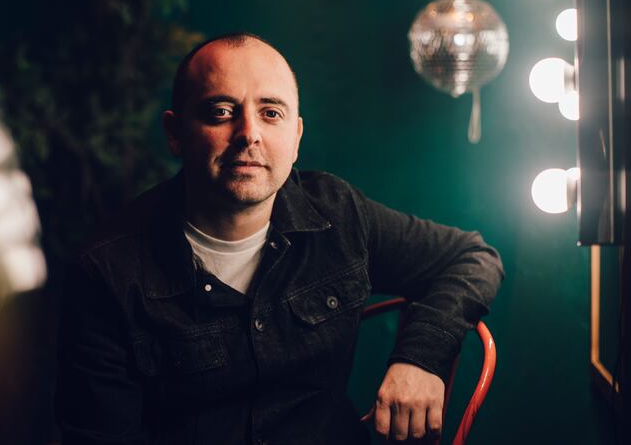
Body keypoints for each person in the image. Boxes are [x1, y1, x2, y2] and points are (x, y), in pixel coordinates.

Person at [55, 33, 503, 445]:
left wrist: (422, 356)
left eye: (271, 113)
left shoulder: (338, 213)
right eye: (221, 112)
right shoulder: (107, 272)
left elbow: (470, 256)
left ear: (296, 137)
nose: (249, 134)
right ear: (175, 134)